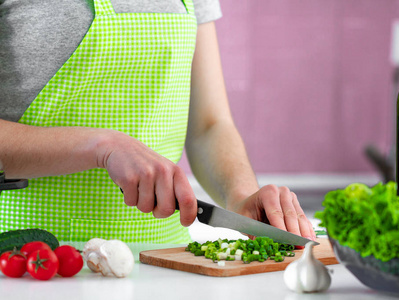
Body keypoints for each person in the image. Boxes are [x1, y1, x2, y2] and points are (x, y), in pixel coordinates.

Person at [0, 0, 316, 244]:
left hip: (162, 259)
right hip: (27, 259)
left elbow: (209, 125)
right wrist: (103, 147)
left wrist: (242, 196)